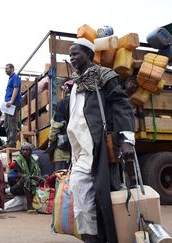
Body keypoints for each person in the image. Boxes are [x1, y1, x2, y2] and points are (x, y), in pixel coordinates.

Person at [67, 38, 135, 243]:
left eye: (75, 53)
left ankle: (108, 237)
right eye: (70, 54)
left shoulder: (105, 77)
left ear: (88, 55)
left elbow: (121, 105)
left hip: (99, 147)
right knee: (79, 191)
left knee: (103, 197)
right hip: (80, 151)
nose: (71, 58)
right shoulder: (75, 84)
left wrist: (126, 139)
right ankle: (91, 237)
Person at [47, 80, 73, 171]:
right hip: (79, 150)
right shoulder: (84, 101)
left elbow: (55, 126)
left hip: (63, 151)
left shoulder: (62, 103)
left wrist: (51, 141)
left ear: (66, 89)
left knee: (62, 178)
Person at [10, 143, 42, 214]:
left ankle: (37, 203)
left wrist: (38, 177)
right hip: (17, 186)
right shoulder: (18, 160)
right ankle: (29, 206)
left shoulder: (33, 160)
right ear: (20, 151)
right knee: (26, 179)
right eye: (23, 150)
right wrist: (31, 177)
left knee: (41, 179)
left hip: (30, 180)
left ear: (30, 151)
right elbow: (18, 174)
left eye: (27, 150)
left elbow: (36, 171)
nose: (25, 151)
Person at [3, 63, 22, 148]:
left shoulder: (15, 77)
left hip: (13, 103)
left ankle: (12, 142)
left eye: (7, 68)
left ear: (12, 69)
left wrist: (11, 100)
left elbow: (16, 88)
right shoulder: (10, 78)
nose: (6, 70)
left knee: (12, 123)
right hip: (8, 104)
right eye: (5, 69)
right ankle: (9, 141)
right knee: (6, 123)